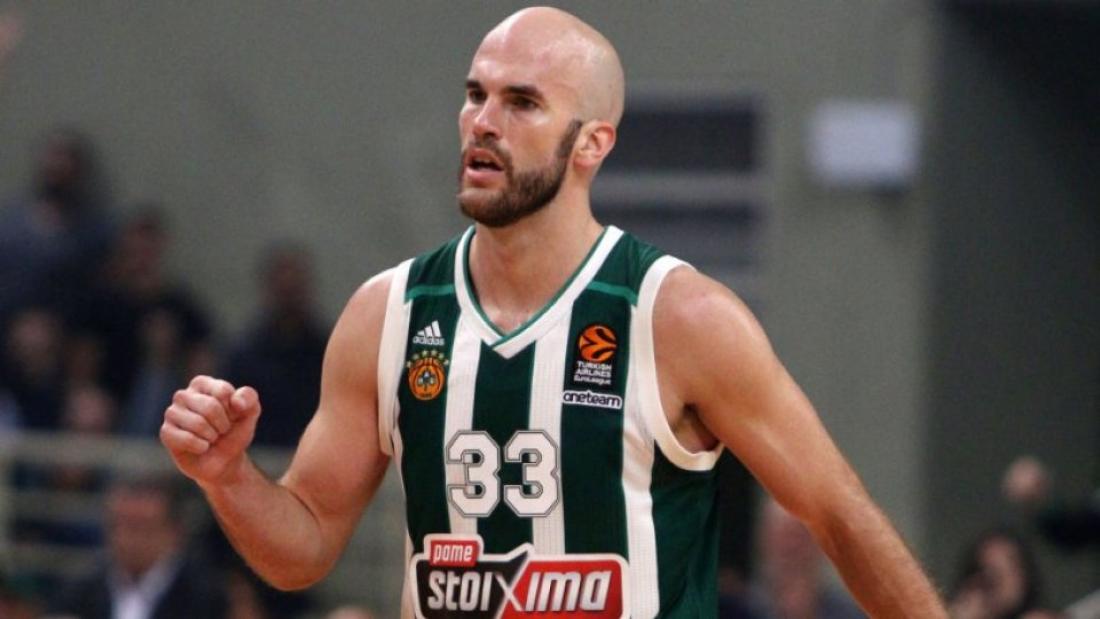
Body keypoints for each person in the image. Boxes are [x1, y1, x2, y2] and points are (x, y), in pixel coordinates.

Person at [160, 7, 946, 617]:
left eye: (522, 102)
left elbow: (838, 514)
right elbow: (303, 545)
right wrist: (228, 477)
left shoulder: (679, 316)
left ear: (591, 144)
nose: (483, 120)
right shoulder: (389, 313)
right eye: (476, 94)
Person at [50, 473, 229, 619]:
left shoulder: (205, 594)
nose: (127, 539)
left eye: (141, 528)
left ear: (174, 532)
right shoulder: (82, 588)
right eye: (118, 525)